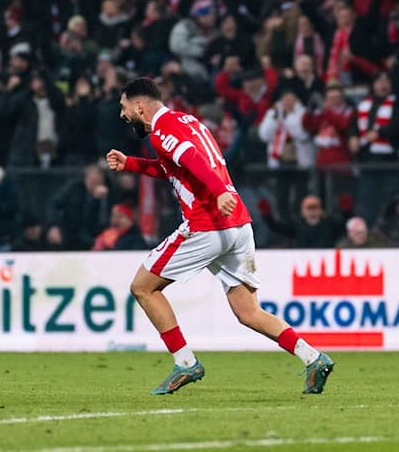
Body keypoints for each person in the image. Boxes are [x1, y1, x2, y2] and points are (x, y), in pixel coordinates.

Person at [106, 78, 333, 395]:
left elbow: (191, 160)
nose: (122, 114)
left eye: (124, 106)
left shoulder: (162, 131)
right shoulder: (188, 121)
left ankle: (185, 362)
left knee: (143, 287)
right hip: (238, 225)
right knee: (248, 312)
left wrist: (219, 192)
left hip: (207, 224)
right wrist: (131, 164)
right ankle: (313, 358)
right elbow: (177, 166)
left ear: (139, 106)